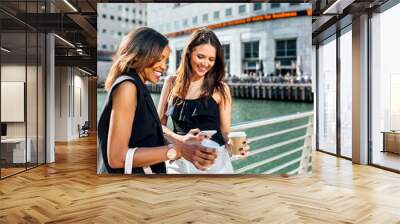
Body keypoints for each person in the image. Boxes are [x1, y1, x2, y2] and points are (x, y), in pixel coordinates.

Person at [98, 27, 217, 174]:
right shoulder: (128, 87)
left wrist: (181, 141)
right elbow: (117, 158)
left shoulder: (138, 86)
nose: (163, 66)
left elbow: (147, 136)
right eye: (160, 58)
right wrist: (178, 150)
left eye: (165, 60)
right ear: (140, 55)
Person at [158, 28, 249, 174]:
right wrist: (180, 140)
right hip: (180, 161)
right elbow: (158, 125)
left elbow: (225, 133)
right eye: (200, 56)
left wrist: (235, 145)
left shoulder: (221, 89)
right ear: (188, 54)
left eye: (211, 59)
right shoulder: (171, 83)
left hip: (214, 163)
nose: (205, 63)